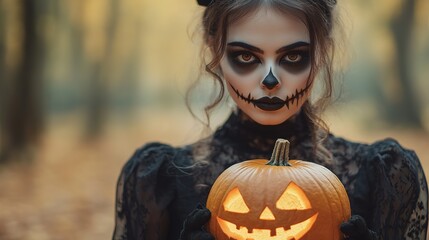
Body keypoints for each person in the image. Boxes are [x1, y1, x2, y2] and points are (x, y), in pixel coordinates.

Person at [112, 0, 428, 239]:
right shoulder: (156, 181)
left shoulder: (387, 178)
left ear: (321, 51)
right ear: (214, 50)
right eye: (246, 56)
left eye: (292, 56)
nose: (270, 81)